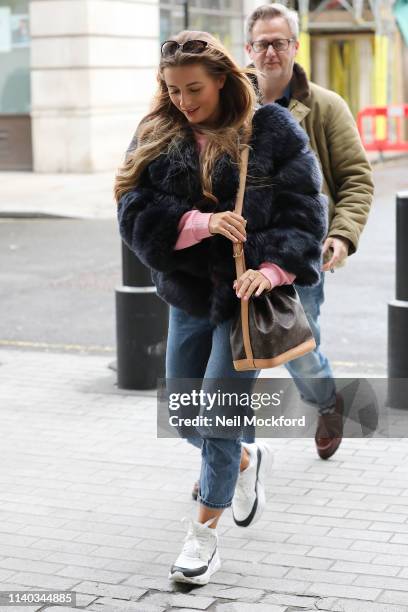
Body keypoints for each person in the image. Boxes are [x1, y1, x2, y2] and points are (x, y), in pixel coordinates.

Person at [115, 30, 327, 586]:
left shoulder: (272, 129)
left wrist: (272, 269)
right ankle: (244, 461)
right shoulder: (157, 132)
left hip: (245, 299)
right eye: (174, 90)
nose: (184, 101)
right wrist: (198, 223)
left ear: (224, 80)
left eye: (194, 89)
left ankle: (203, 535)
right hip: (187, 293)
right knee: (186, 415)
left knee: (218, 411)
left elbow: (305, 210)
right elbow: (132, 209)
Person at [245, 3, 374, 460]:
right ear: (249, 48)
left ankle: (326, 400)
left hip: (301, 252)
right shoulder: (229, 102)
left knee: (298, 343)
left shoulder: (325, 107)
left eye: (280, 42)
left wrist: (340, 235)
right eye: (262, 43)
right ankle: (230, 457)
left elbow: (357, 178)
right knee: (234, 353)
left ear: (295, 47)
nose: (271, 51)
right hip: (239, 254)